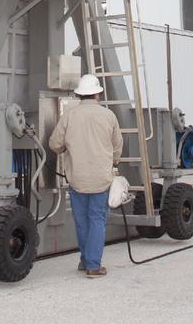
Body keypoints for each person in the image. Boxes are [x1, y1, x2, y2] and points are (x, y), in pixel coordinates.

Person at [49, 73, 123, 278]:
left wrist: (65, 148)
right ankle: (93, 265)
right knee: (97, 220)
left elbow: (54, 144)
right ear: (97, 94)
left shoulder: (70, 115)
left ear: (79, 95)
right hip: (101, 178)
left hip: (77, 178)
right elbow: (118, 146)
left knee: (81, 221)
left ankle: (85, 259)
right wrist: (114, 161)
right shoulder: (109, 116)